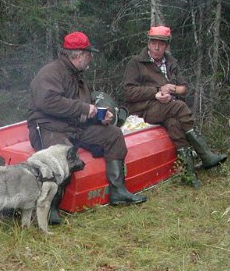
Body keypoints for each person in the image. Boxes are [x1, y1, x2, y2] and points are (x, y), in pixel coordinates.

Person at [28, 31, 147, 223]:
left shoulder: (77, 76)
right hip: (49, 128)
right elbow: (48, 102)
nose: (91, 57)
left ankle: (118, 191)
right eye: (89, 53)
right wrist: (85, 109)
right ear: (79, 55)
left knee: (113, 134)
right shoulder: (51, 73)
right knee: (63, 154)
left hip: (74, 127)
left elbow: (84, 106)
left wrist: (100, 117)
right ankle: (49, 208)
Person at [123, 26, 226, 187]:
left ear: (166, 46)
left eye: (161, 44)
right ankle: (205, 154)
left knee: (175, 125)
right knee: (179, 107)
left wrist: (171, 89)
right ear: (148, 43)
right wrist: (156, 92)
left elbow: (184, 88)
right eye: (153, 43)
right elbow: (129, 92)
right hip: (144, 110)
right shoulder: (136, 63)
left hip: (166, 107)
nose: (157, 47)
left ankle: (188, 174)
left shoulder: (171, 62)